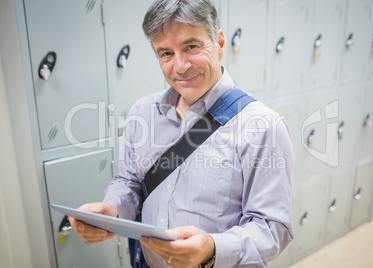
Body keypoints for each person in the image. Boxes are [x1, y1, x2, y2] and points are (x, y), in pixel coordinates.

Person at [69, 0, 294, 267]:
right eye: (166, 53)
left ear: (219, 43)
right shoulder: (142, 112)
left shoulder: (263, 126)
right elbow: (129, 181)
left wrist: (212, 248)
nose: (181, 66)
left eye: (191, 46)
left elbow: (271, 229)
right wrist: (113, 209)